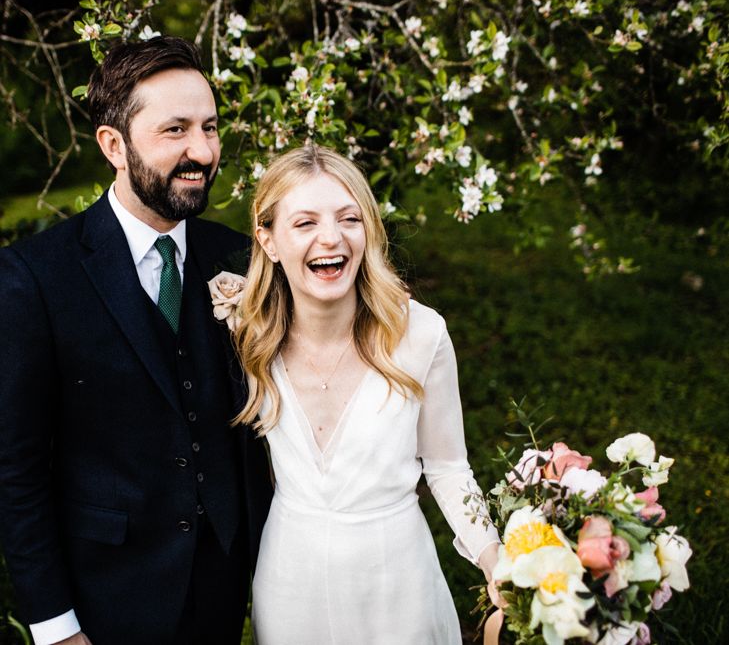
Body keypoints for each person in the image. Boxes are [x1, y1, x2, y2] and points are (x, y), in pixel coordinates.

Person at [0, 36, 272, 645]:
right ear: (113, 146)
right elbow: (16, 469)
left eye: (209, 127)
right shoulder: (35, 277)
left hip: (226, 592)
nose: (201, 151)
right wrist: (54, 625)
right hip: (106, 602)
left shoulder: (238, 257)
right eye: (175, 130)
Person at [231, 144, 500, 644]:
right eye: (305, 222)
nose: (330, 238)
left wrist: (494, 557)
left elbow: (447, 468)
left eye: (349, 218)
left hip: (398, 582)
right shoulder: (249, 334)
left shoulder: (421, 333)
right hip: (291, 583)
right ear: (267, 240)